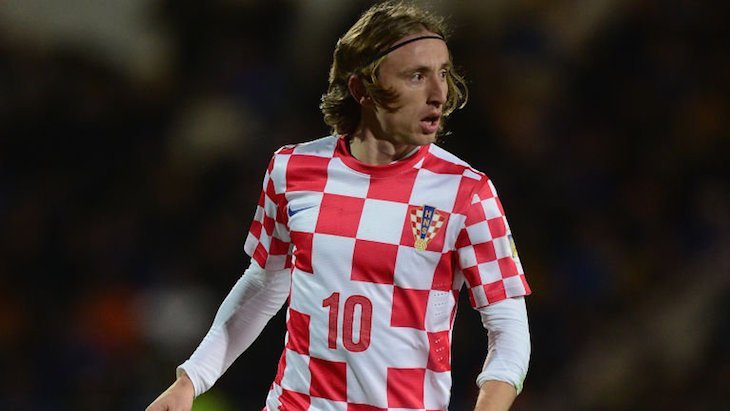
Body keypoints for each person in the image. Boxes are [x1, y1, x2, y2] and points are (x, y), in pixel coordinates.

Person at [147, 2, 531, 410]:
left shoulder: (466, 192)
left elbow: (508, 328)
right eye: (417, 76)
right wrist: (191, 379)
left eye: (443, 73)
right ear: (361, 89)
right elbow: (264, 283)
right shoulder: (293, 170)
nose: (439, 93)